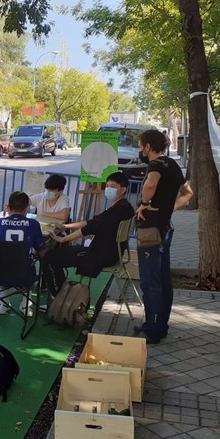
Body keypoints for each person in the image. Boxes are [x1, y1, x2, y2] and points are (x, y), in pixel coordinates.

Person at [134, 129, 193, 344]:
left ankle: (152, 330)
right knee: (163, 280)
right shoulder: (173, 164)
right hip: (165, 227)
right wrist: (169, 209)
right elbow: (188, 193)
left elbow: (150, 184)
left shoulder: (156, 165)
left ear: (149, 146)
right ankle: (160, 325)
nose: (140, 150)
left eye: (141, 146)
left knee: (151, 282)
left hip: (150, 231)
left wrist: (145, 203)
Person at [42, 172, 135, 297]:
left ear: (123, 190)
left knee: (50, 257)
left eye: (113, 186)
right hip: (110, 253)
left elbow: (89, 228)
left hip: (100, 256)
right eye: (107, 186)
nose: (108, 189)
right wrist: (65, 226)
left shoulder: (116, 211)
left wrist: (63, 239)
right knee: (58, 254)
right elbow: (92, 222)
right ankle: (61, 291)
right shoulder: (124, 207)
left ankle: (59, 296)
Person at [0, 191, 47, 314]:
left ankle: (3, 303)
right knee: (30, 262)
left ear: (8, 206)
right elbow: (42, 252)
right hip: (24, 274)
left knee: (3, 260)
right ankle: (25, 305)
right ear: (26, 208)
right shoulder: (33, 224)